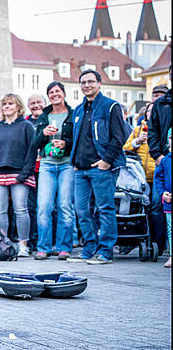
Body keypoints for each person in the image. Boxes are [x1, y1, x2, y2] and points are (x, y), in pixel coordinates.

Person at [68, 69, 126, 265]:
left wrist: (107, 161)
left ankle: (106, 252)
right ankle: (89, 249)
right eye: (83, 82)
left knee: (105, 208)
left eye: (90, 82)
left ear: (100, 83)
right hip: (80, 169)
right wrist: (74, 161)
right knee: (82, 211)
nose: (86, 85)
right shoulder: (78, 109)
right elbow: (77, 138)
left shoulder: (111, 107)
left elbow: (119, 137)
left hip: (101, 168)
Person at [0, 94, 37, 257]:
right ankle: (3, 244)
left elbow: (31, 152)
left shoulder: (26, 126)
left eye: (10, 103)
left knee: (21, 209)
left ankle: (23, 245)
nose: (6, 106)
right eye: (4, 103)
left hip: (20, 173)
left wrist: (24, 174)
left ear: (18, 107)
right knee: (0, 210)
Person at [32, 82, 75, 260]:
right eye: (51, 92)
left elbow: (78, 140)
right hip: (47, 165)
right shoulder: (44, 116)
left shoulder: (73, 114)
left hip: (66, 164)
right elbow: (35, 144)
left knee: (65, 206)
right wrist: (44, 134)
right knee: (43, 206)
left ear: (64, 94)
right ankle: (44, 247)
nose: (54, 94)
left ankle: (64, 247)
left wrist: (66, 143)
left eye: (57, 91)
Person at [124, 102, 167, 254]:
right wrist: (137, 141)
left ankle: (158, 243)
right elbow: (126, 148)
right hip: (139, 177)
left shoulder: (164, 128)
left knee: (156, 207)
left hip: (157, 175)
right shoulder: (137, 129)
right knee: (139, 208)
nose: (152, 113)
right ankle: (136, 240)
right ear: (146, 114)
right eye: (149, 111)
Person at [25, 93, 46, 248]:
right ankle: (33, 239)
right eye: (32, 103)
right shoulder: (26, 122)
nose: (36, 105)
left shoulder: (50, 118)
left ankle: (47, 240)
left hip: (47, 167)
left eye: (39, 102)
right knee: (31, 206)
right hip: (30, 169)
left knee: (47, 206)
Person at [153, 131, 172, 268]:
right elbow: (158, 179)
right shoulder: (165, 160)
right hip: (169, 201)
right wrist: (163, 193)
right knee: (170, 229)